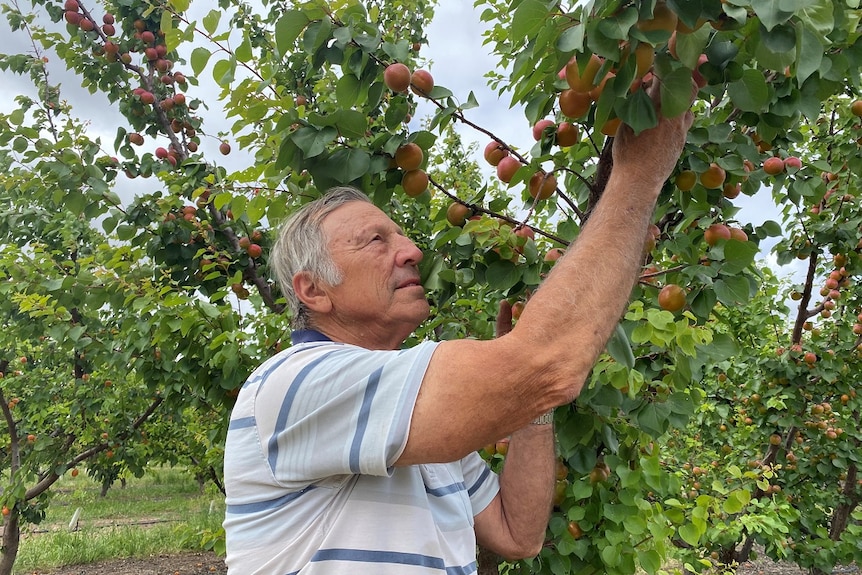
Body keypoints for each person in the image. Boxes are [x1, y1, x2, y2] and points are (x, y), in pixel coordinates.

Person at [222, 84, 693, 574]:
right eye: (376, 241)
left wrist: (532, 405)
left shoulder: (415, 421)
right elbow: (545, 364)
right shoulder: (297, 385)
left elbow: (518, 534)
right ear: (314, 291)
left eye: (402, 236)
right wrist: (638, 175)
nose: (412, 252)